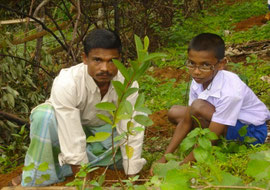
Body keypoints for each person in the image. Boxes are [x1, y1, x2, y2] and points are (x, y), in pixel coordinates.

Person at [13, 29, 146, 186]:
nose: (105, 68)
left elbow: (131, 129)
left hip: (102, 134)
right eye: (97, 60)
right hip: (64, 130)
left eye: (112, 60)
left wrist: (132, 178)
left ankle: (70, 163)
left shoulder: (127, 84)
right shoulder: (68, 82)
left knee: (123, 157)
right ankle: (43, 171)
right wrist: (84, 181)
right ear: (85, 58)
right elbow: (71, 133)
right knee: (44, 115)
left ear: (120, 59)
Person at [151, 33, 270, 174]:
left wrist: (183, 165)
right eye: (191, 63)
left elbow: (213, 127)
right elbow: (188, 119)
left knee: (198, 106)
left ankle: (212, 148)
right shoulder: (198, 81)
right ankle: (208, 145)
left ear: (221, 64)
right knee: (175, 112)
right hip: (223, 120)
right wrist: (164, 157)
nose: (196, 71)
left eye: (205, 65)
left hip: (251, 132)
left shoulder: (232, 91)